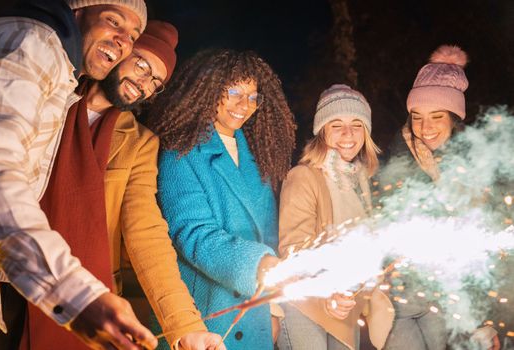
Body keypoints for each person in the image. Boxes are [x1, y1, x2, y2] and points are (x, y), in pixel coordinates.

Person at [21, 20, 225, 350]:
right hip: (8, 282)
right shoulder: (49, 99)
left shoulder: (140, 144)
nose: (144, 83)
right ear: (121, 51)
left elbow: (147, 232)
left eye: (156, 81)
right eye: (142, 64)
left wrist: (186, 326)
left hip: (87, 299)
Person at [0, 1, 157, 349]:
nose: (123, 40)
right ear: (78, 13)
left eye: (133, 36)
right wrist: (77, 295)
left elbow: (146, 230)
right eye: (114, 21)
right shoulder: (33, 43)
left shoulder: (63, 74)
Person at [146, 48, 297, 350]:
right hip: (206, 316)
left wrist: (274, 307)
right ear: (208, 90)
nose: (245, 105)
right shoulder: (181, 152)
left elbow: (269, 232)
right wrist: (257, 266)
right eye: (234, 92)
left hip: (255, 314)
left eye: (253, 96)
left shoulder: (259, 154)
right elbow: (192, 234)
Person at [377, 45, 498, 350]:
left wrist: (486, 321)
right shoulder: (396, 159)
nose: (425, 127)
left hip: (450, 298)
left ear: (454, 118)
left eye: (436, 116)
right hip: (399, 301)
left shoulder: (475, 166)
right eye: (417, 117)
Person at [276, 84, 394, 350]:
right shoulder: (304, 176)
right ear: (322, 131)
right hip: (306, 304)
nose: (348, 134)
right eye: (336, 125)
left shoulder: (363, 182)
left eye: (357, 124)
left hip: (345, 306)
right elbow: (293, 249)